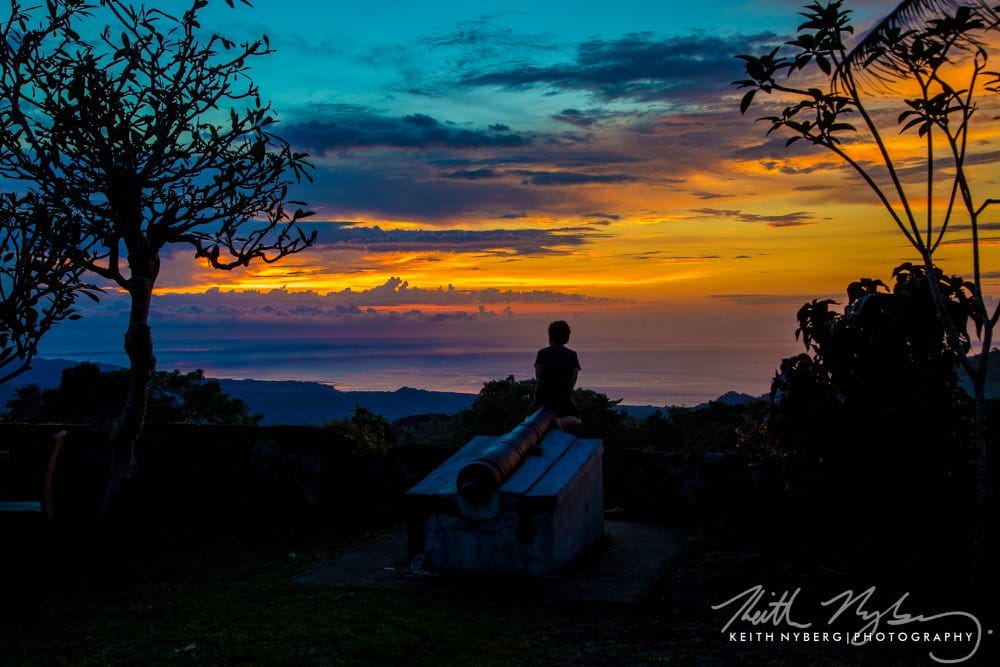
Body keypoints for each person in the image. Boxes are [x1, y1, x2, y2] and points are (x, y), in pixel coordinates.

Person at [531, 320, 582, 429]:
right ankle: (559, 422)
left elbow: (538, 376)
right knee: (577, 419)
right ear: (566, 338)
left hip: (542, 395)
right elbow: (573, 379)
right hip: (563, 395)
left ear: (550, 336)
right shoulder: (572, 355)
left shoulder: (542, 353)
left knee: (530, 416)